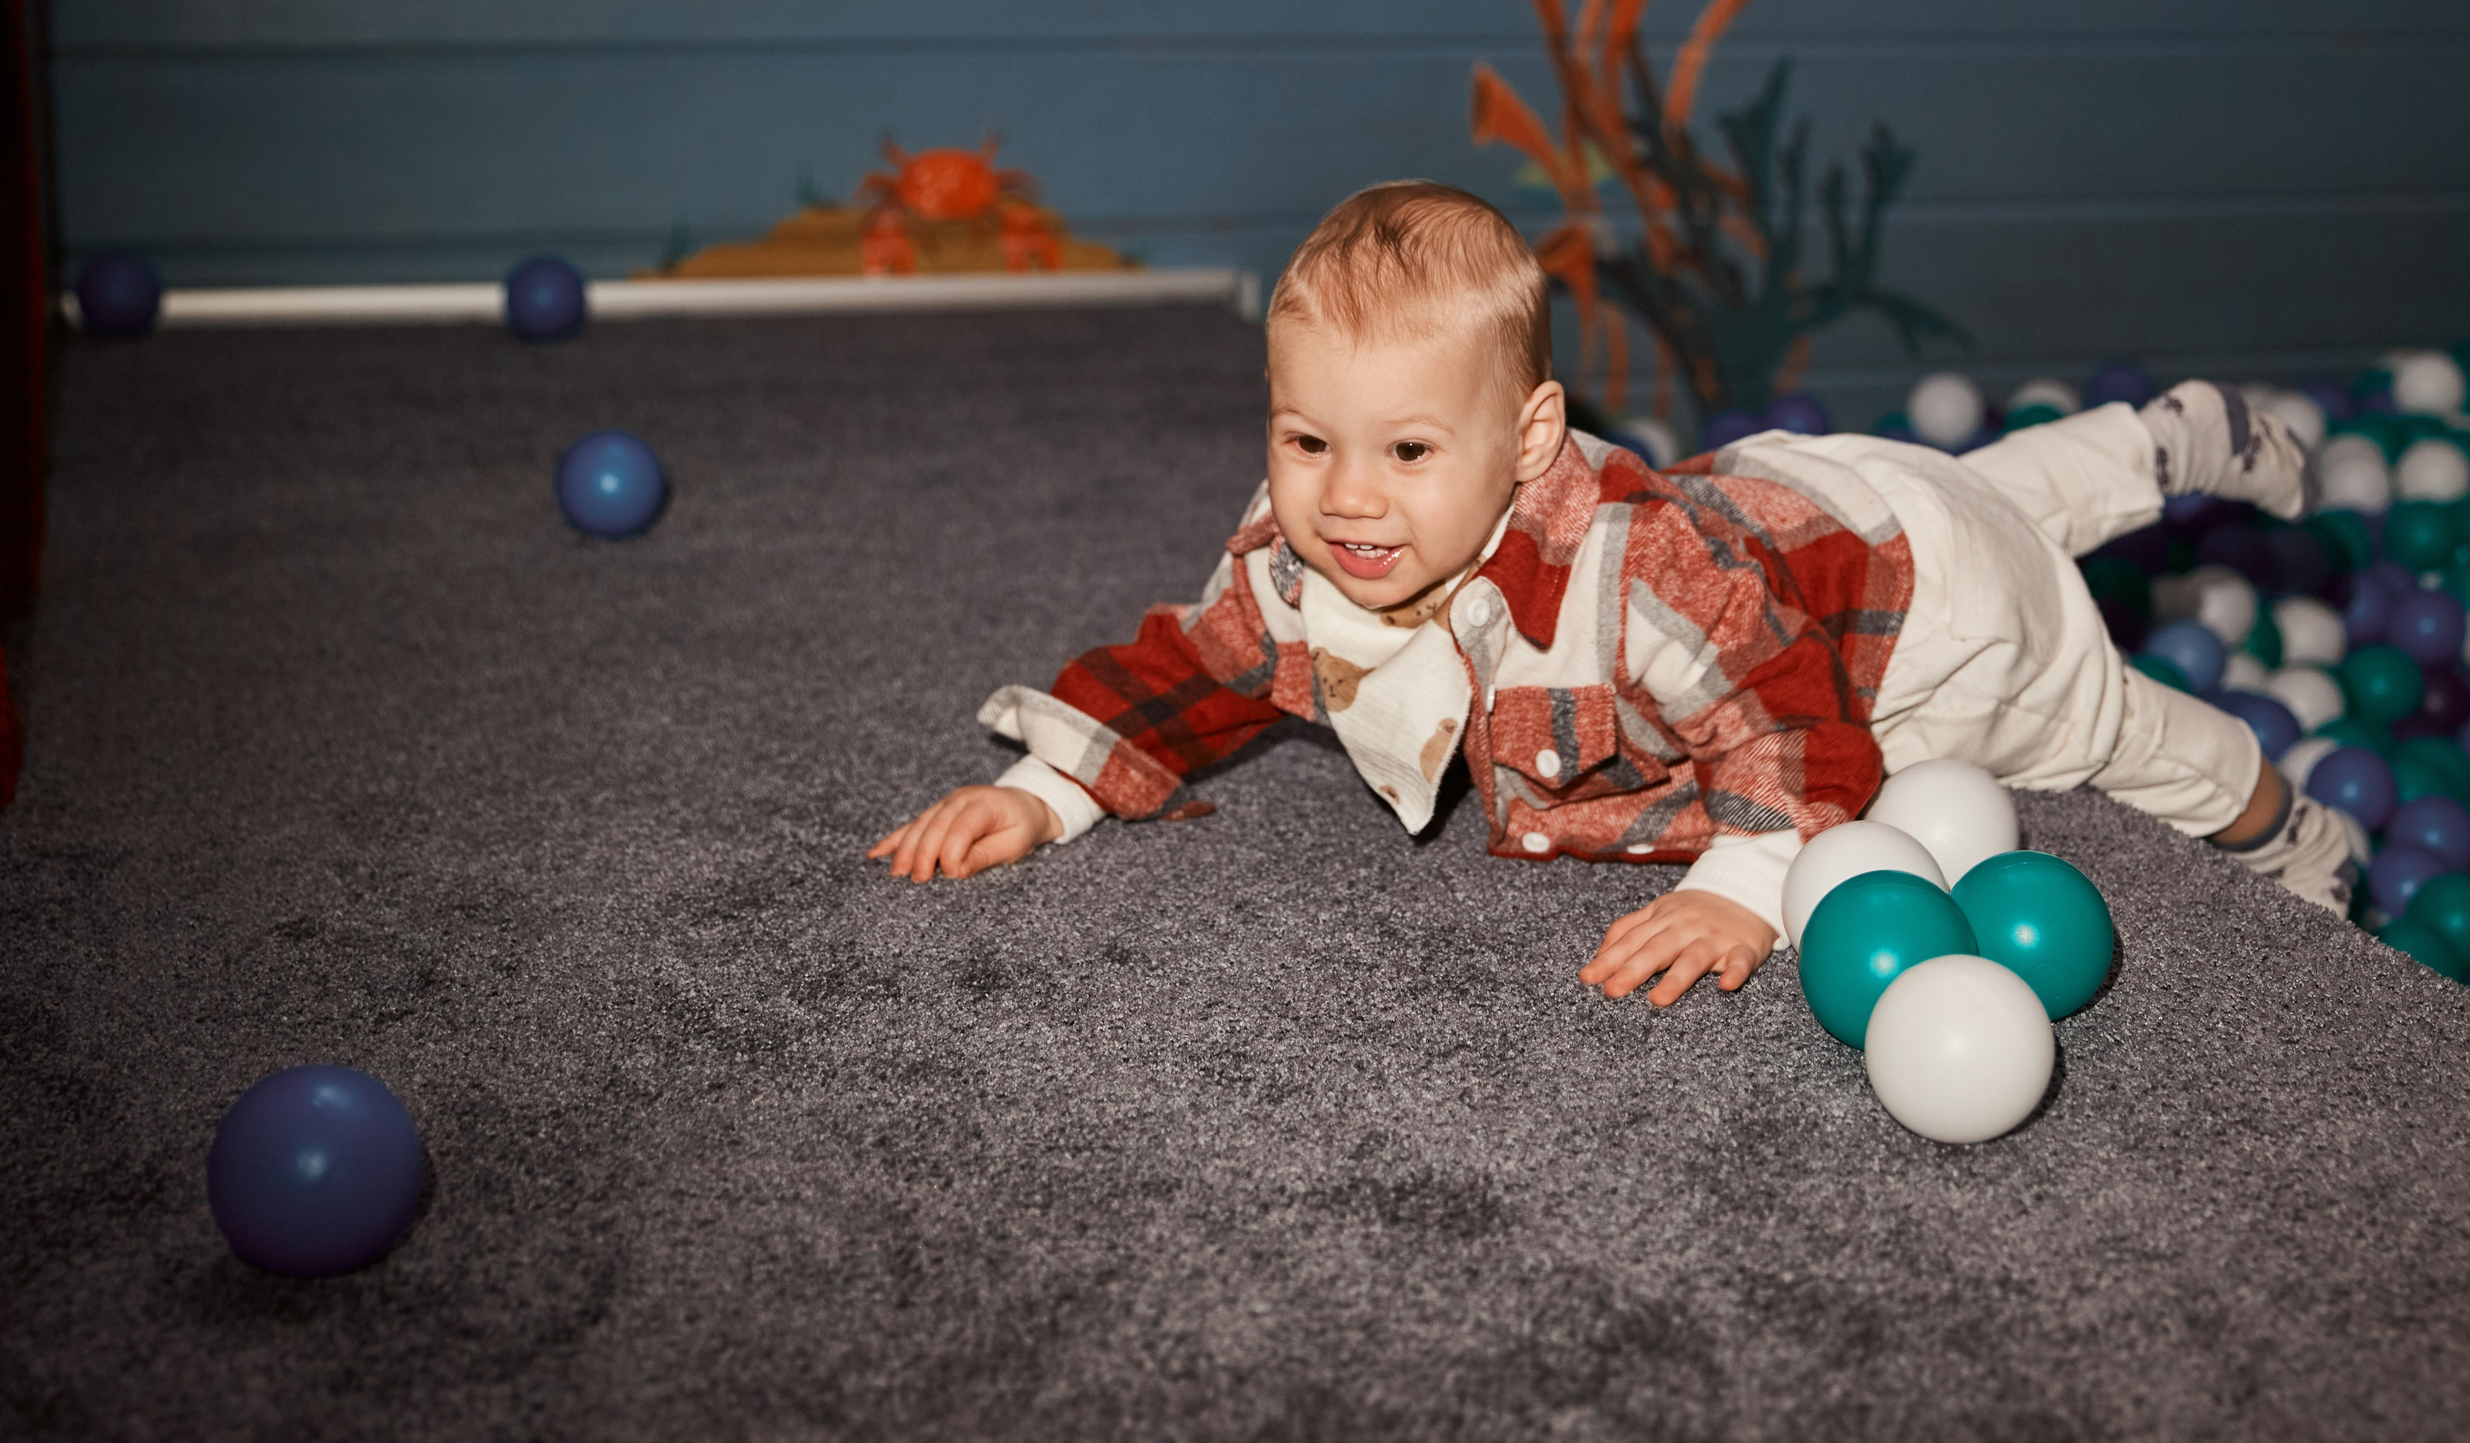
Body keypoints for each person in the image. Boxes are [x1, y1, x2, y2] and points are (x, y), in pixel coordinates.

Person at [869, 180, 2348, 1006]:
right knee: (1974, 487)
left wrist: (1747, 887)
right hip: (1801, 499)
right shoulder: (1294, 554)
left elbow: (1788, 729)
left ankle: (2294, 827)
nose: (1347, 497)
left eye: (1406, 451)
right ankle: (2160, 442)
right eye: (1307, 441)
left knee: (2098, 716)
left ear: (1530, 440)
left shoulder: (1646, 582)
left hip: (1922, 628)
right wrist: (1047, 789)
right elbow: (1195, 665)